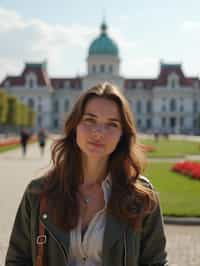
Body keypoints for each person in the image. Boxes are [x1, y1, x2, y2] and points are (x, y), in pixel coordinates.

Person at [6, 82, 168, 266]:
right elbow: (17, 260)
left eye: (112, 124)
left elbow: (155, 262)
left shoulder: (141, 196)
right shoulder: (38, 192)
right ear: (75, 125)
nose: (98, 132)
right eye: (90, 120)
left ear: (122, 135)